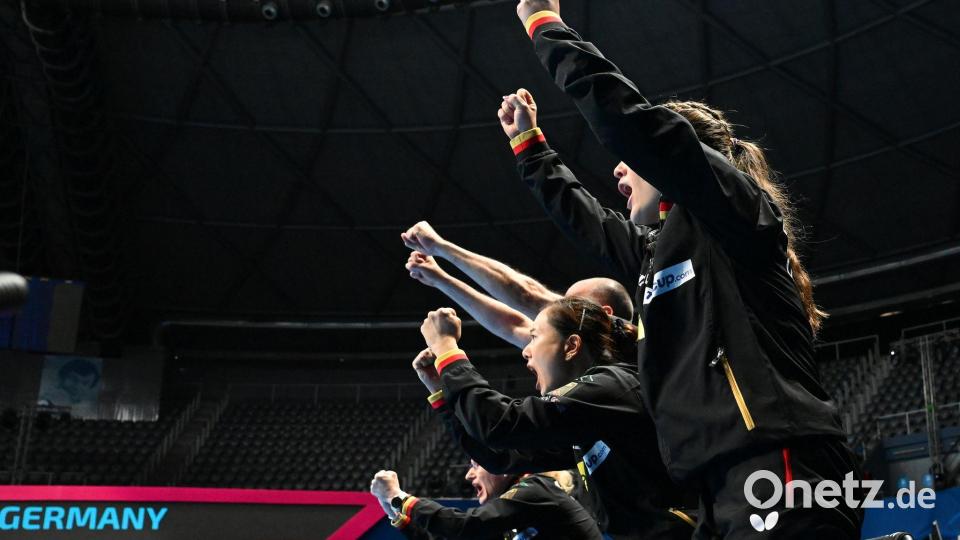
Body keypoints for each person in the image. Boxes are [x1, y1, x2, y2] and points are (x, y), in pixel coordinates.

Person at [494, 2, 863, 538]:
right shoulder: (661, 251)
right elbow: (587, 221)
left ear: (674, 160)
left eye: (633, 160)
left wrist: (545, 26)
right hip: (712, 482)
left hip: (778, 460)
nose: (618, 170)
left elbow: (633, 126)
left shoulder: (734, 212)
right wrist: (529, 147)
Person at [418, 301, 695, 540]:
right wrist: (442, 397)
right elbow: (501, 455)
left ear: (572, 346)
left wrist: (447, 348)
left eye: (534, 337)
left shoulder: (611, 387)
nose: (526, 351)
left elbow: (500, 424)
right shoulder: (590, 413)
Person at [402, 220, 634, 348]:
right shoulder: (572, 350)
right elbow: (511, 325)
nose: (558, 308)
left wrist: (440, 246)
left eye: (571, 304)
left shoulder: (631, 348)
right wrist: (441, 279)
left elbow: (527, 296)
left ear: (605, 315)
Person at [369, 466, 602, 539]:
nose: (468, 475)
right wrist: (394, 511)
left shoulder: (534, 490)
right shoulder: (511, 517)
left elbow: (466, 525)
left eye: (476, 465)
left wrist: (398, 496)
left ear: (504, 465)